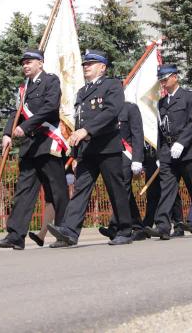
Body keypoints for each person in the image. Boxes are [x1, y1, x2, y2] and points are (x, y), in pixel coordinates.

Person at [47, 50, 134, 247]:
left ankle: (124, 230)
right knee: (81, 189)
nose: (86, 66)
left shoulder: (112, 85)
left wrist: (87, 130)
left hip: (107, 147)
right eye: (85, 64)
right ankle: (69, 231)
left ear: (102, 67)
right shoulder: (82, 92)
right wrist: (76, 153)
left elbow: (111, 112)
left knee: (116, 189)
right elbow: (79, 122)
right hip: (87, 150)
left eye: (91, 64)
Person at [0, 49, 70, 250]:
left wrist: (25, 127)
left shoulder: (50, 81)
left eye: (29, 62)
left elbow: (50, 108)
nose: (25, 65)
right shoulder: (23, 87)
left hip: (47, 142)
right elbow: (16, 113)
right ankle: (15, 235)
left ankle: (64, 231)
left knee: (57, 190)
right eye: (23, 63)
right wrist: (7, 133)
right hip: (30, 146)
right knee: (24, 191)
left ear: (40, 63)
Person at [146, 65, 192, 240]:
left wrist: (182, 143)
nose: (163, 82)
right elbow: (161, 130)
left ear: (175, 77)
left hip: (187, 151)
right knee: (167, 189)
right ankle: (163, 226)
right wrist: (160, 154)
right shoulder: (161, 102)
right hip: (167, 152)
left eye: (165, 79)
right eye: (161, 80)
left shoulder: (190, 97)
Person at [100, 100, 146, 241]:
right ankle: (138, 227)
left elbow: (137, 134)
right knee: (123, 191)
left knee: (122, 189)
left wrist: (137, 159)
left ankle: (115, 226)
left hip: (127, 155)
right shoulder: (105, 109)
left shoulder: (130, 108)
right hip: (111, 155)